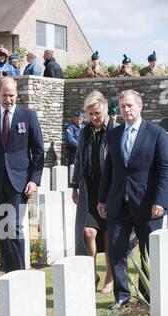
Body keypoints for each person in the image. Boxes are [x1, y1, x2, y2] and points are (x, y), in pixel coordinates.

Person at [97, 90, 168, 309]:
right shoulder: (114, 134)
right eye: (122, 106)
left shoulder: (156, 133)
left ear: (140, 106)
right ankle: (122, 296)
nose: (126, 110)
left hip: (147, 204)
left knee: (148, 253)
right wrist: (102, 199)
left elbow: (164, 169)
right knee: (117, 251)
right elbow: (108, 169)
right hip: (118, 203)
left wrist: (161, 201)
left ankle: (146, 295)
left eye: (129, 106)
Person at [0, 77, 44, 273]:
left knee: (14, 226)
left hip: (19, 183)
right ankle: (9, 272)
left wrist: (34, 179)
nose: (8, 99)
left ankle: (20, 273)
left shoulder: (28, 116)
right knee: (2, 229)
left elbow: (38, 151)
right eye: (4, 95)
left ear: (17, 94)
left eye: (11, 95)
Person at [71, 91, 115, 294]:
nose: (94, 117)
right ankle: (92, 273)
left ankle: (109, 276)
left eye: (96, 112)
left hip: (110, 188)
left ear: (105, 108)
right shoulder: (85, 132)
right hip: (90, 188)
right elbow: (79, 158)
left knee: (108, 234)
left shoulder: (115, 129)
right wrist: (74, 185)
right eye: (90, 114)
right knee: (88, 231)